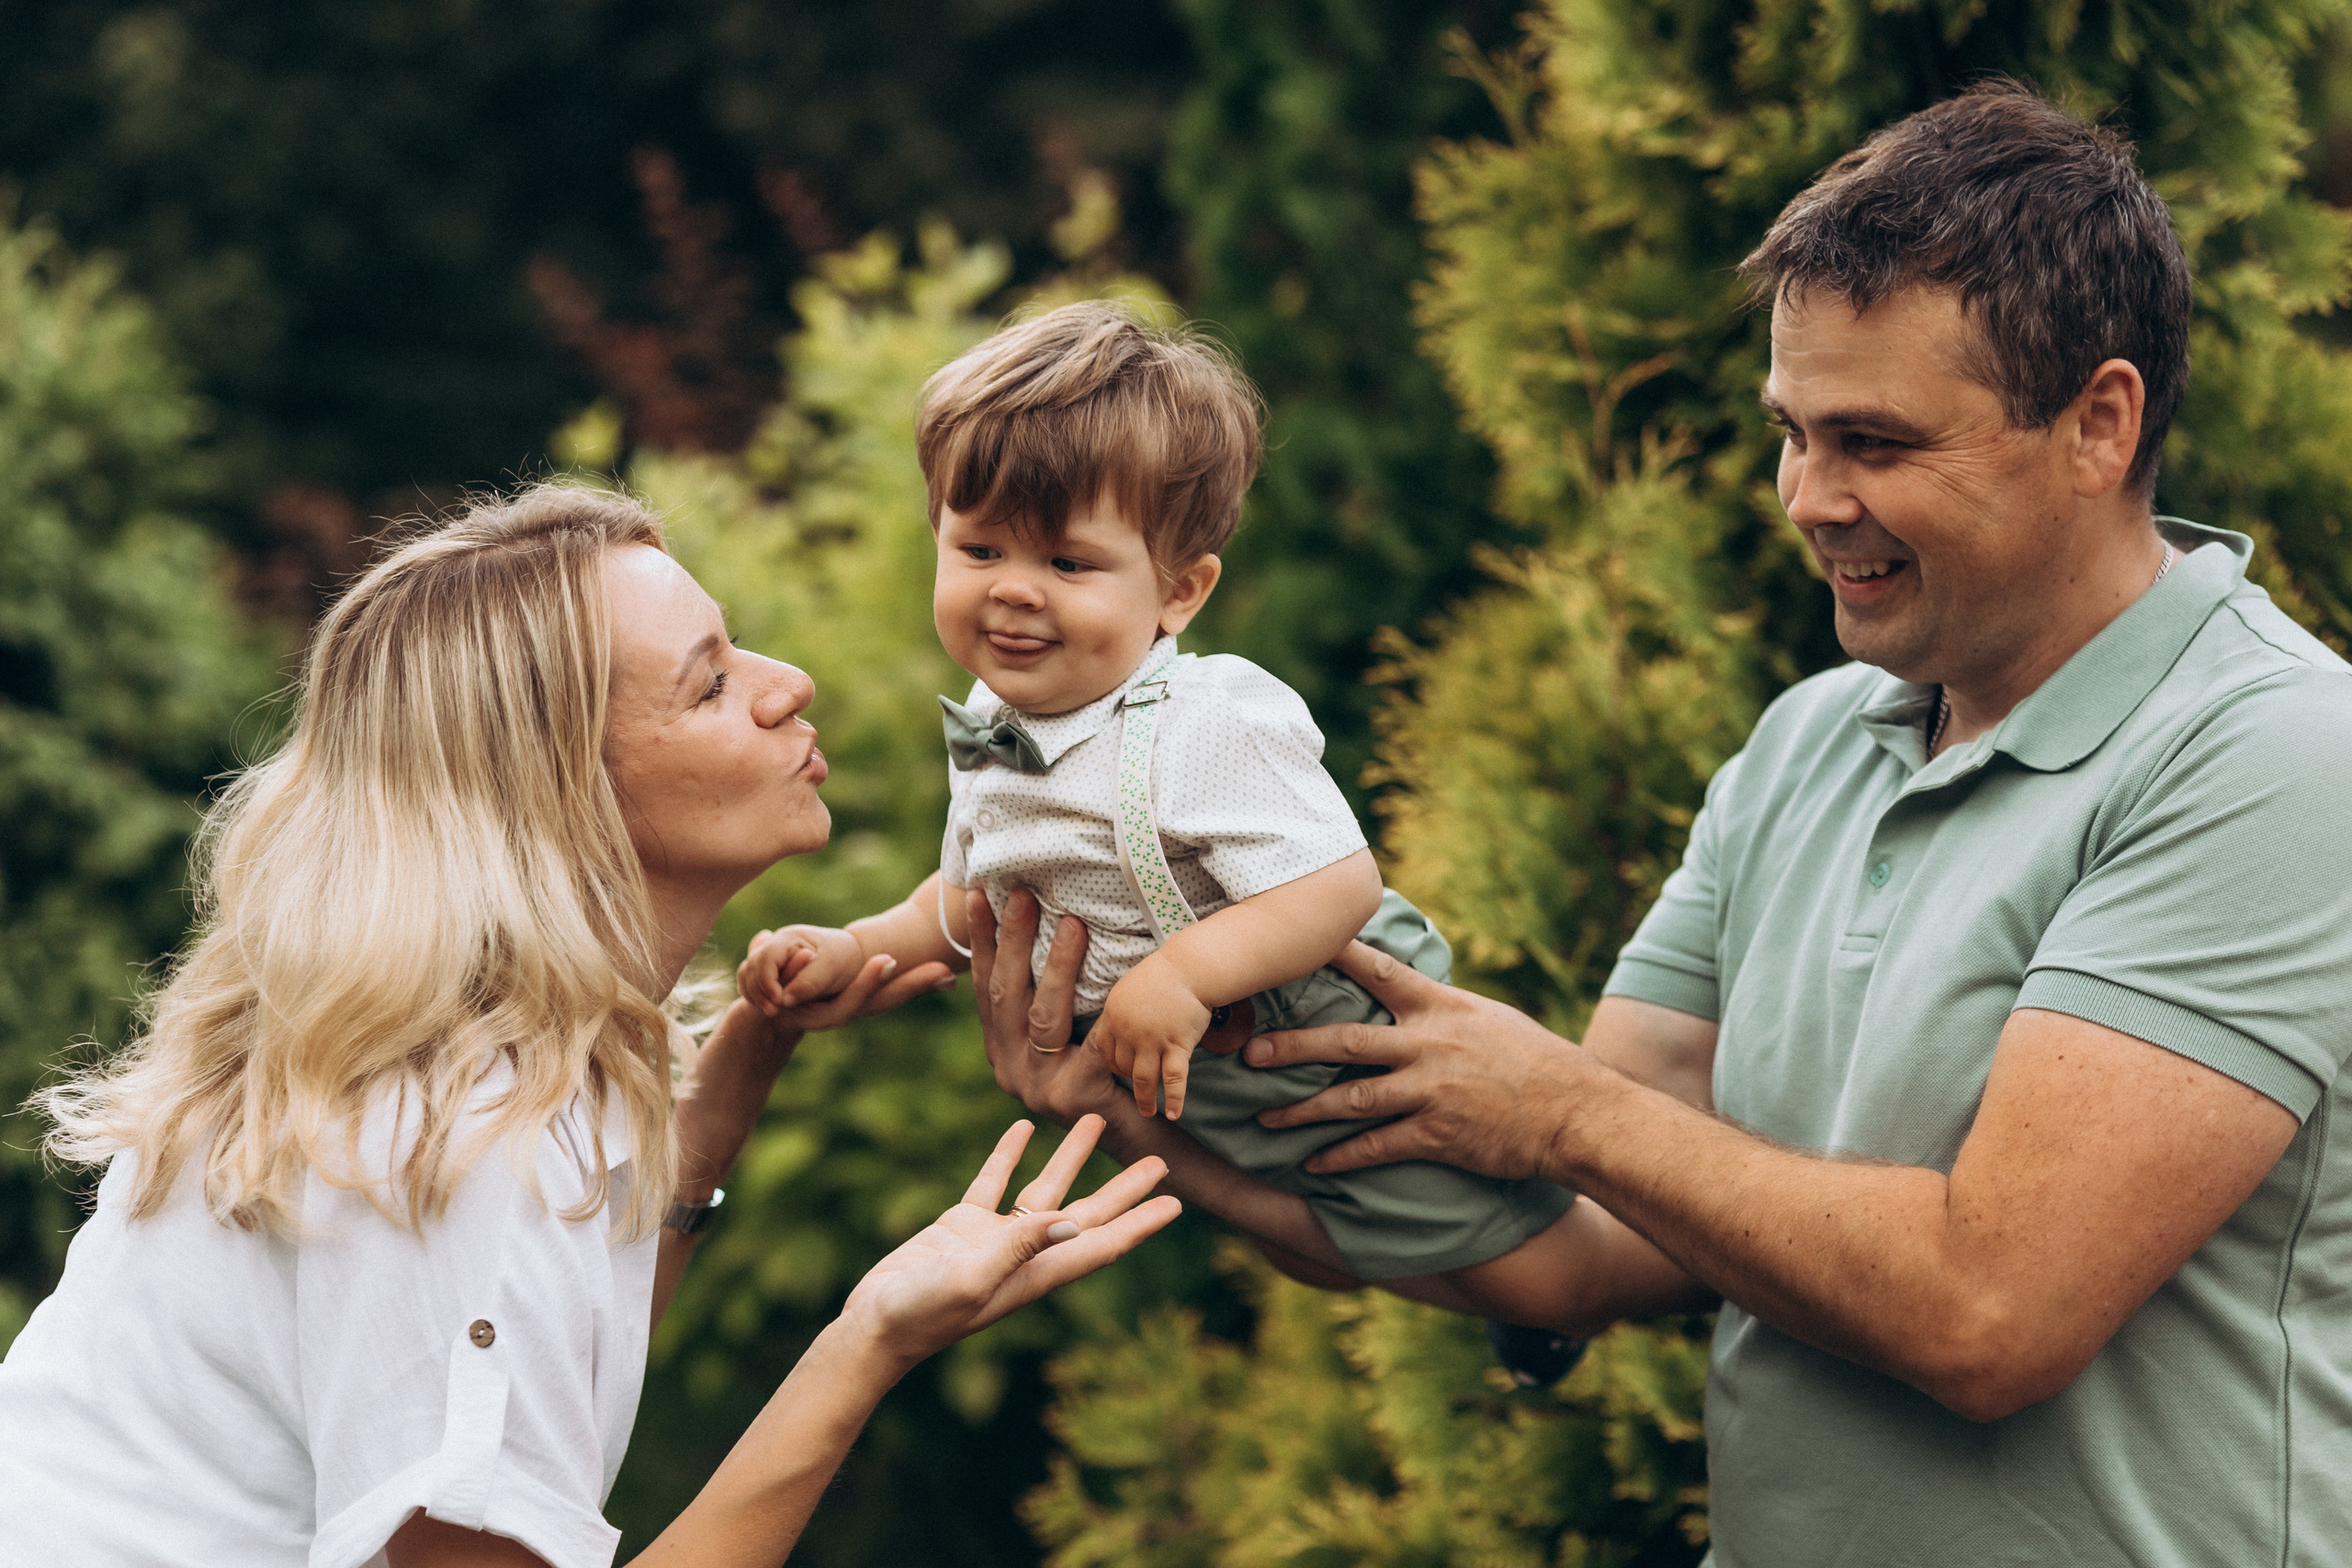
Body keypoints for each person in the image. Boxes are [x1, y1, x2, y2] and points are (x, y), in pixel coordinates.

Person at [978, 83, 2352, 1565]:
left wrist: (1560, 1104)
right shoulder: (1807, 746)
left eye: (1875, 442)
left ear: (2098, 423)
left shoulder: (2272, 754)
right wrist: (1157, 1123)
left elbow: (1990, 1310)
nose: (1809, 499)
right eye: (1793, 434)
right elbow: (1588, 1243)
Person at [0, 487, 1180, 1568]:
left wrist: (734, 1081)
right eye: (710, 683)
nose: (787, 685)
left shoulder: (494, 1049)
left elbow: (544, 1368)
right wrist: (870, 1339)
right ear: (556, 791)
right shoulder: (452, 1139)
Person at [734, 302, 1579, 1357]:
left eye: (1068, 565)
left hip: (1297, 1024)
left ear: (1178, 592)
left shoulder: (1203, 718)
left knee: (1425, 1205)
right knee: (1328, 1232)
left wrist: (1180, 978)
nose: (1012, 590)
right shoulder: (995, 723)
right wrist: (855, 948)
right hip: (1177, 1066)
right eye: (979, 546)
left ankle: (1557, 1280)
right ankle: (1524, 1293)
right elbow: (970, 899)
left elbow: (1336, 886)